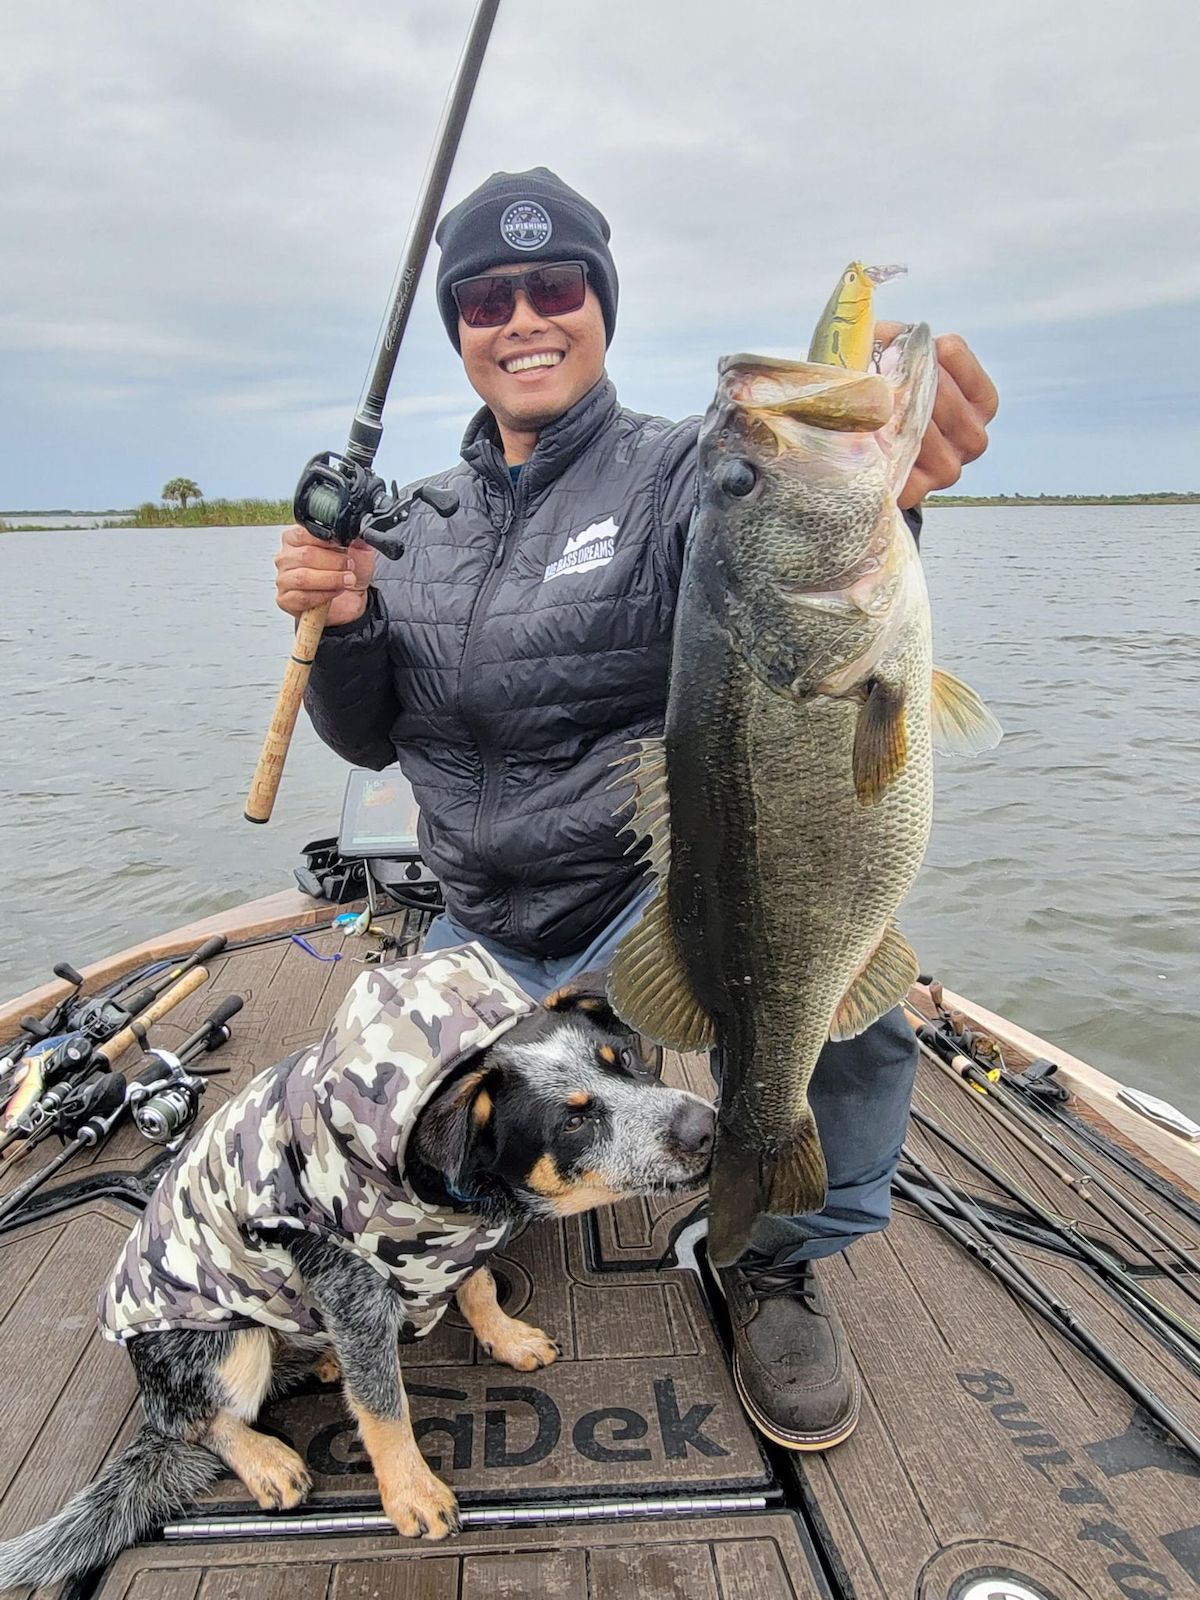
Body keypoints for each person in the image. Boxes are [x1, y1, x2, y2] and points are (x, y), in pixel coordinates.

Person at [275, 167, 999, 1454]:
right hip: (478, 923)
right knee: (364, 1119)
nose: (522, 317)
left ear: (601, 307)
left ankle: (770, 1259)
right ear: (458, 329)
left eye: (556, 287)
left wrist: (900, 475)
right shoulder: (415, 523)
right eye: (488, 297)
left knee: (852, 1007)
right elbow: (365, 732)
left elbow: (785, 559)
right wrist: (337, 626)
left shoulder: (680, 473)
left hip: (637, 909)